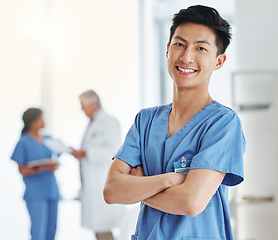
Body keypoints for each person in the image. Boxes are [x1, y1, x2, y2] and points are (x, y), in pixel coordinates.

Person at [103, 5, 245, 240]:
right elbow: (111, 191)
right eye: (180, 44)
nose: (187, 56)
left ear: (219, 61)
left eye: (200, 48)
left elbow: (190, 202)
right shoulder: (145, 121)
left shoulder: (223, 124)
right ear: (168, 50)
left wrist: (139, 187)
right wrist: (169, 180)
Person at [71, 90, 123, 240]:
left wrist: (86, 153)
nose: (81, 109)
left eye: (82, 105)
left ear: (92, 104)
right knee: (99, 230)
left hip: (102, 183)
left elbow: (114, 151)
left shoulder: (109, 122)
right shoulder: (92, 124)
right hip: (92, 186)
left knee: (104, 229)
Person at [11, 108, 60, 240]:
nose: (44, 121)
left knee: (52, 231)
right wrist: (41, 168)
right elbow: (22, 169)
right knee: (38, 232)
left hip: (52, 190)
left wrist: (53, 165)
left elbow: (60, 151)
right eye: (41, 118)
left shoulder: (48, 139)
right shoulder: (23, 142)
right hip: (36, 192)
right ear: (32, 122)